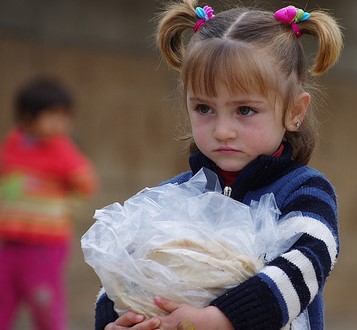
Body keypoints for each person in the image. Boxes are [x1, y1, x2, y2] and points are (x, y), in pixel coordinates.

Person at [94, 0, 342, 329]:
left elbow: (307, 263)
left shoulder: (303, 191)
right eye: (204, 109)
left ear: (294, 112)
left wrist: (222, 319)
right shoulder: (172, 198)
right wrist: (117, 319)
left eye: (245, 111)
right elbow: (125, 273)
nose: (222, 131)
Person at [0, 76, 98, 330]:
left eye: (65, 116)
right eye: (53, 115)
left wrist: (67, 205)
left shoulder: (61, 149)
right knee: (4, 300)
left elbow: (85, 182)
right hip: (10, 242)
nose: (62, 123)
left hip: (45, 244)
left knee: (44, 302)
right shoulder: (13, 145)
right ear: (28, 116)